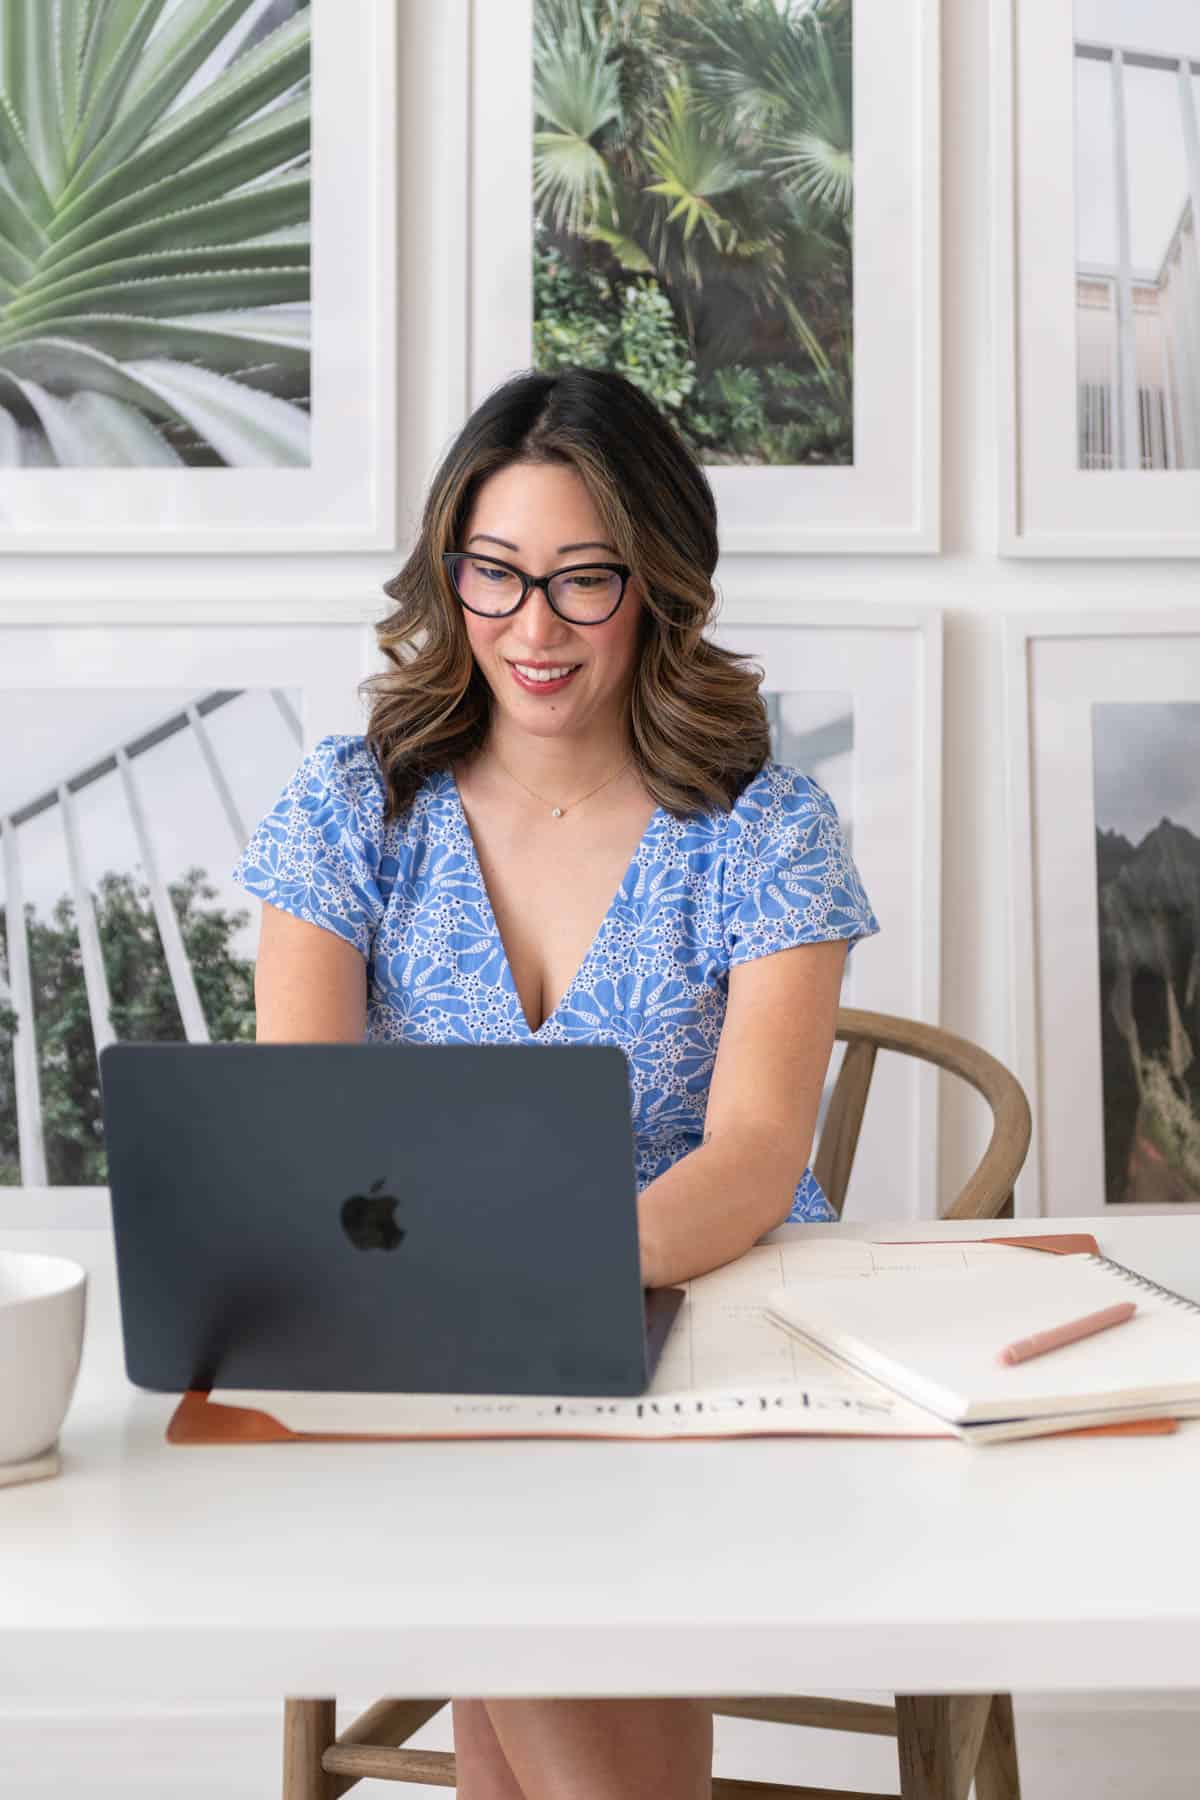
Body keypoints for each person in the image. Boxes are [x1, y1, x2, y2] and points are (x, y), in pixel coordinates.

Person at [233, 366, 879, 1800]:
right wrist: (473, 1305)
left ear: (658, 583)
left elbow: (761, 1149)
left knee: (508, 1543)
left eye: (585, 581)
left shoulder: (762, 824)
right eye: (496, 574)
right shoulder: (354, 803)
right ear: (447, 573)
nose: (534, 626)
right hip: (423, 1343)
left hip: (711, 1330)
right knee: (494, 1509)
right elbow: (303, 1131)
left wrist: (534, 1283)